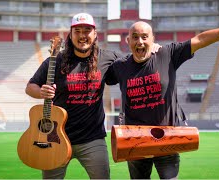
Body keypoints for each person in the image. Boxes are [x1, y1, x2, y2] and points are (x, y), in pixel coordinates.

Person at [107, 7, 219, 179]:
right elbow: (99, 70)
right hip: (135, 139)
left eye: (144, 37)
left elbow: (200, 39)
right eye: (135, 37)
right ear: (128, 41)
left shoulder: (167, 54)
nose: (140, 42)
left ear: (152, 39)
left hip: (167, 138)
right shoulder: (120, 67)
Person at [25, 13, 161, 179]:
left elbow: (136, 59)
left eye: (87, 30)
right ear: (71, 34)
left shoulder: (108, 58)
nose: (83, 35)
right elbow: (30, 86)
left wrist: (152, 46)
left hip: (92, 139)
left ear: (95, 34)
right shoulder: (56, 60)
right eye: (78, 31)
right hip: (55, 138)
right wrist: (40, 92)